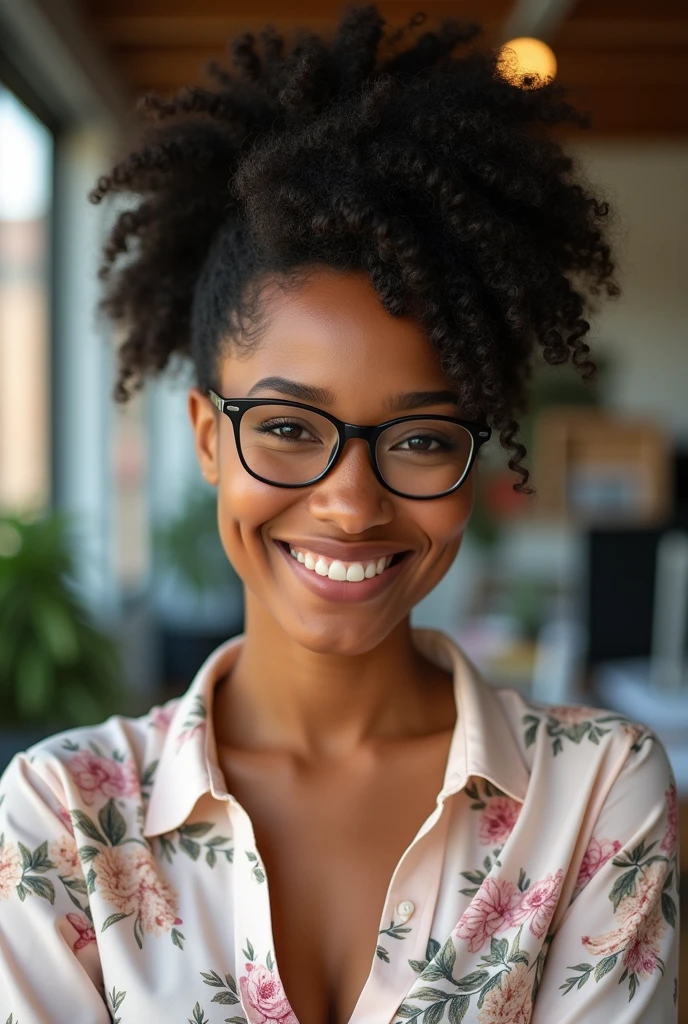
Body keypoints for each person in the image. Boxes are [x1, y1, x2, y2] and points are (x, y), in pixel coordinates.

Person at [0, 6, 679, 1023]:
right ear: (204, 434)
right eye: (286, 425)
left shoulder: (593, 797)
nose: (352, 503)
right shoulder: (64, 817)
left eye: (417, 439)